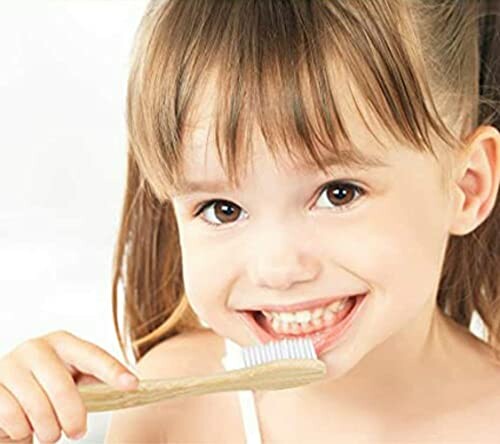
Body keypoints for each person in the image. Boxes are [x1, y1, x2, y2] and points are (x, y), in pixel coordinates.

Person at [1, 0, 499, 442]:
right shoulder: (172, 408)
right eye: (223, 209)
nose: (278, 268)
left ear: (466, 187)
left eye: (337, 193)